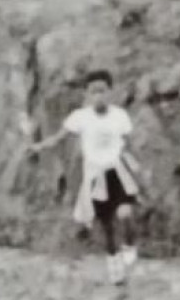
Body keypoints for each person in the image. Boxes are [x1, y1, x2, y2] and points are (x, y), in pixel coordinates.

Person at [28, 70, 145, 284]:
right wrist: (39, 146)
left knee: (125, 213)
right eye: (94, 91)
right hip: (95, 175)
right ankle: (115, 267)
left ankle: (129, 244)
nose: (99, 96)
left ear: (111, 92)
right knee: (107, 223)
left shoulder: (119, 116)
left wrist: (136, 166)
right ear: (87, 94)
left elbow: (129, 143)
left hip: (117, 171)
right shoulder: (80, 117)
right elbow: (59, 138)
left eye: (102, 91)